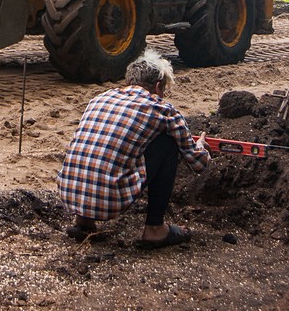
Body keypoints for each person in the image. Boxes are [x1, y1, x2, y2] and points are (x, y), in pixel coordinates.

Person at [56, 50, 210, 248]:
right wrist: (201, 146)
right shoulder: (163, 110)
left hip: (68, 195)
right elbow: (198, 162)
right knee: (168, 142)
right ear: (157, 86)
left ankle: (84, 221)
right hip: (109, 202)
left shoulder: (99, 99)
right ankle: (155, 229)